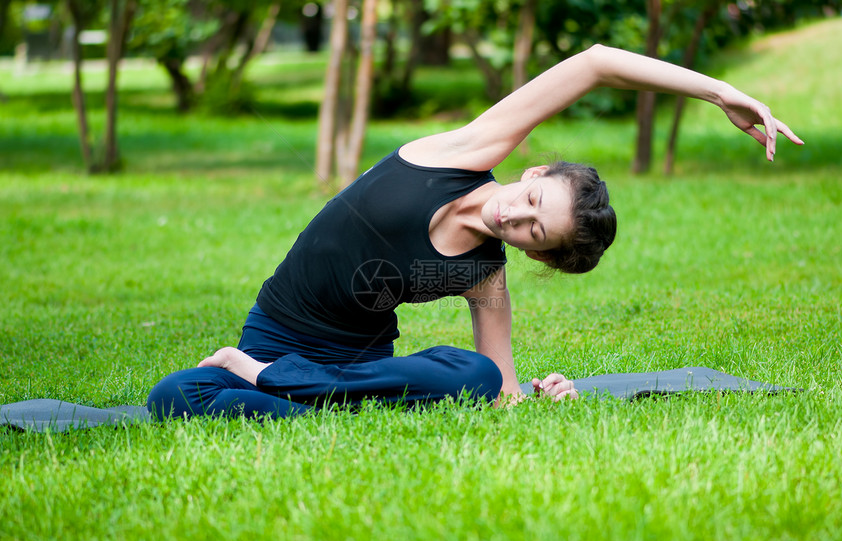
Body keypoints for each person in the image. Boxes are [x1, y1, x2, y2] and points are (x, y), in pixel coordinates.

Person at [147, 44, 803, 420]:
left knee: (474, 376)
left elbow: (500, 391)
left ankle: (284, 389)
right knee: (173, 394)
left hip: (361, 367)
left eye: (533, 232)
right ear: (534, 169)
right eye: (531, 198)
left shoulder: (484, 273)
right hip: (276, 339)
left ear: (535, 252)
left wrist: (545, 393)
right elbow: (597, 62)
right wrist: (719, 92)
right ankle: (272, 378)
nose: (514, 217)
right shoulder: (464, 149)